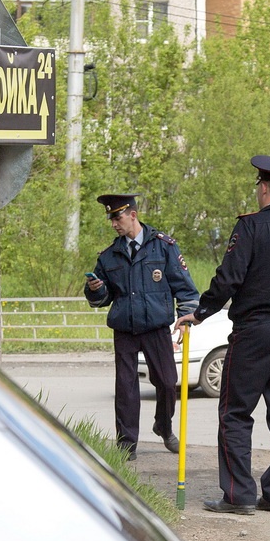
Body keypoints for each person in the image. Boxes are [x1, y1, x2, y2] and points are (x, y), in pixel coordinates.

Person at [174, 155, 270, 516]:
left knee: (235, 412)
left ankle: (239, 495)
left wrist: (199, 312)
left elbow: (229, 278)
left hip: (255, 330)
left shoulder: (251, 228)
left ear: (262, 188)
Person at [84, 193, 199, 461]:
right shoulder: (109, 256)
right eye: (111, 218)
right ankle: (127, 444)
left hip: (156, 327)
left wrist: (185, 319)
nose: (114, 223)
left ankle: (163, 426)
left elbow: (184, 286)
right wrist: (95, 290)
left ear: (132, 215)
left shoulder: (163, 247)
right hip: (124, 328)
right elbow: (101, 298)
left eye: (118, 217)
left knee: (168, 383)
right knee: (126, 388)